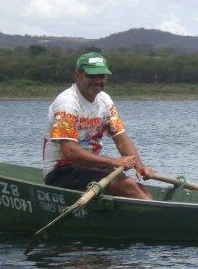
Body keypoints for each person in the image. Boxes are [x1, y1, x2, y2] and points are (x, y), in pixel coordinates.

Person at [42, 52, 153, 200]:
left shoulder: (105, 100)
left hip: (91, 166)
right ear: (78, 75)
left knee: (137, 186)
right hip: (61, 170)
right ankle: (162, 220)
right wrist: (114, 161)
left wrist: (139, 166)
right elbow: (70, 152)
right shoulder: (67, 104)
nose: (97, 81)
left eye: (101, 76)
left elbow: (121, 139)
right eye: (91, 76)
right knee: (126, 185)